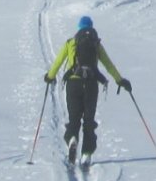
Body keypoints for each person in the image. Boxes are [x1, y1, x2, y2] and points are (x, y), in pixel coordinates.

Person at [43, 15, 130, 163]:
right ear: (91, 27)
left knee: (74, 117)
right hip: (91, 85)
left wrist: (50, 76)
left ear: (79, 28)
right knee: (89, 119)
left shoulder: (70, 43)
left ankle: (72, 139)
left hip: (73, 84)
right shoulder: (96, 44)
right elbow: (109, 65)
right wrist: (120, 80)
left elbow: (58, 62)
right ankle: (87, 154)